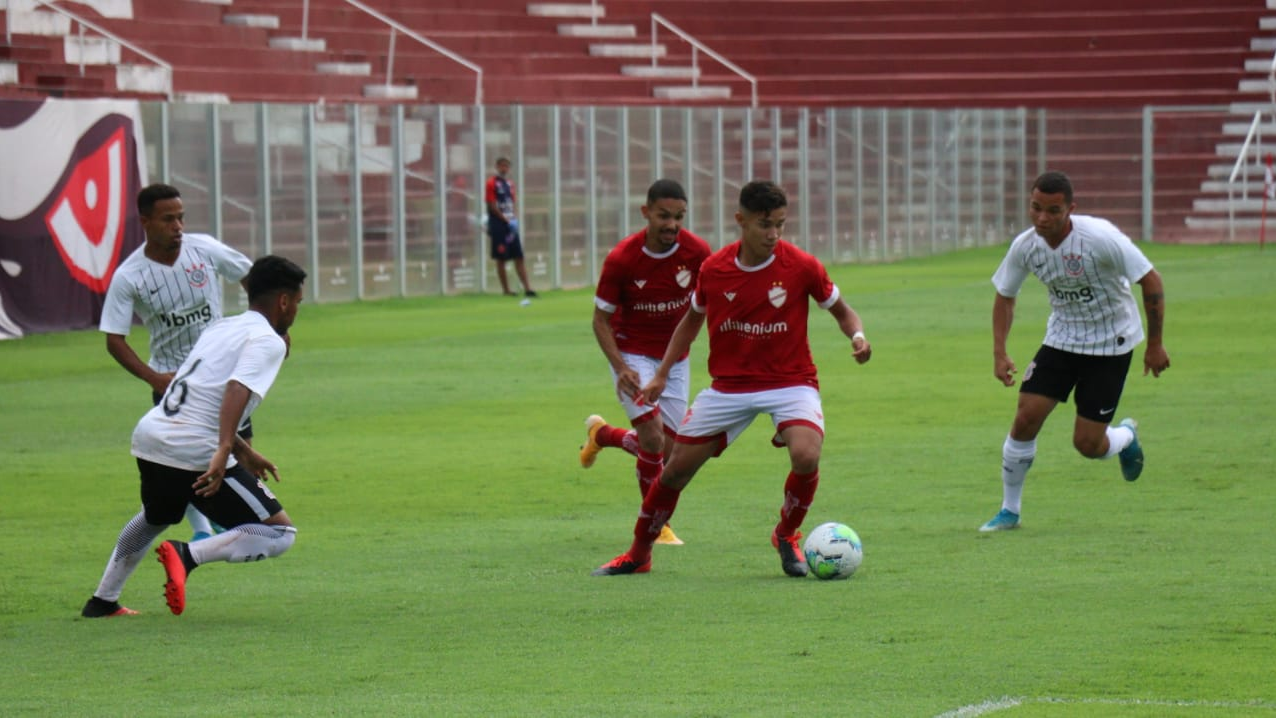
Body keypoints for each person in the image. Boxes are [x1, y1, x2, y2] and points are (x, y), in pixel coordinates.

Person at [592, 180, 872, 577]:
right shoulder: (715, 269)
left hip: (791, 381)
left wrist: (858, 337)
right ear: (741, 220)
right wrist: (660, 375)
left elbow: (844, 312)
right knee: (673, 470)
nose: (773, 234)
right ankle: (639, 554)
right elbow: (689, 325)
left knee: (807, 454)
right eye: (764, 224)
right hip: (730, 387)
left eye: (780, 224)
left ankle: (786, 534)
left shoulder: (802, 265)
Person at [80, 255, 306, 618]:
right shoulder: (268, 341)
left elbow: (202, 393)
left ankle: (103, 601)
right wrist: (222, 449)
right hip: (195, 449)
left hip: (152, 438)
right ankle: (188, 555)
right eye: (297, 301)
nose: (297, 309)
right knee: (280, 534)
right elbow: (235, 388)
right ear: (283, 300)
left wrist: (241, 449)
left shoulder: (221, 328)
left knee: (155, 516)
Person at [979, 170, 1170, 532]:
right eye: (1035, 208)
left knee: (1087, 444)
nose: (1042, 218)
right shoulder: (1026, 246)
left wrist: (1156, 345)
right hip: (1062, 340)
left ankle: (1126, 436)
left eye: (1052, 211)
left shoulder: (1100, 239)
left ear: (1070, 209)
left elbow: (1151, 279)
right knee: (1025, 418)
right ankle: (1009, 510)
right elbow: (1005, 295)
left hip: (1111, 344)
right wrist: (999, 353)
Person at [99, 183, 254, 543]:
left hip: (223, 378)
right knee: (180, 463)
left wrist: (262, 325)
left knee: (240, 453)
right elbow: (113, 340)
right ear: (146, 222)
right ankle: (202, 532)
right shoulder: (129, 276)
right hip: (174, 386)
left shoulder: (205, 249)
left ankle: (229, 522)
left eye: (181, 218)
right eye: (168, 219)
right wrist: (153, 378)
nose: (178, 226)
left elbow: (251, 276)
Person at [579, 179, 712, 547]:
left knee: (666, 451)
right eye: (663, 216)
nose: (671, 224)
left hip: (675, 358)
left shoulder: (697, 252)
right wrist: (621, 366)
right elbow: (599, 320)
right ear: (646, 213)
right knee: (653, 438)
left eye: (679, 217)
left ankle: (603, 435)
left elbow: (710, 301)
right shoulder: (623, 259)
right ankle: (657, 523)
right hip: (632, 356)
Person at [486, 156, 537, 298]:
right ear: (497, 166)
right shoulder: (491, 183)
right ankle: (506, 290)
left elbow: (511, 203)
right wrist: (506, 220)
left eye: (506, 166)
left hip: (510, 225)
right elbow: (492, 205)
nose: (504, 168)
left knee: (518, 256)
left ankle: (527, 288)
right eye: (502, 165)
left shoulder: (509, 184)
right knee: (501, 257)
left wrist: (514, 218)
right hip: (499, 225)